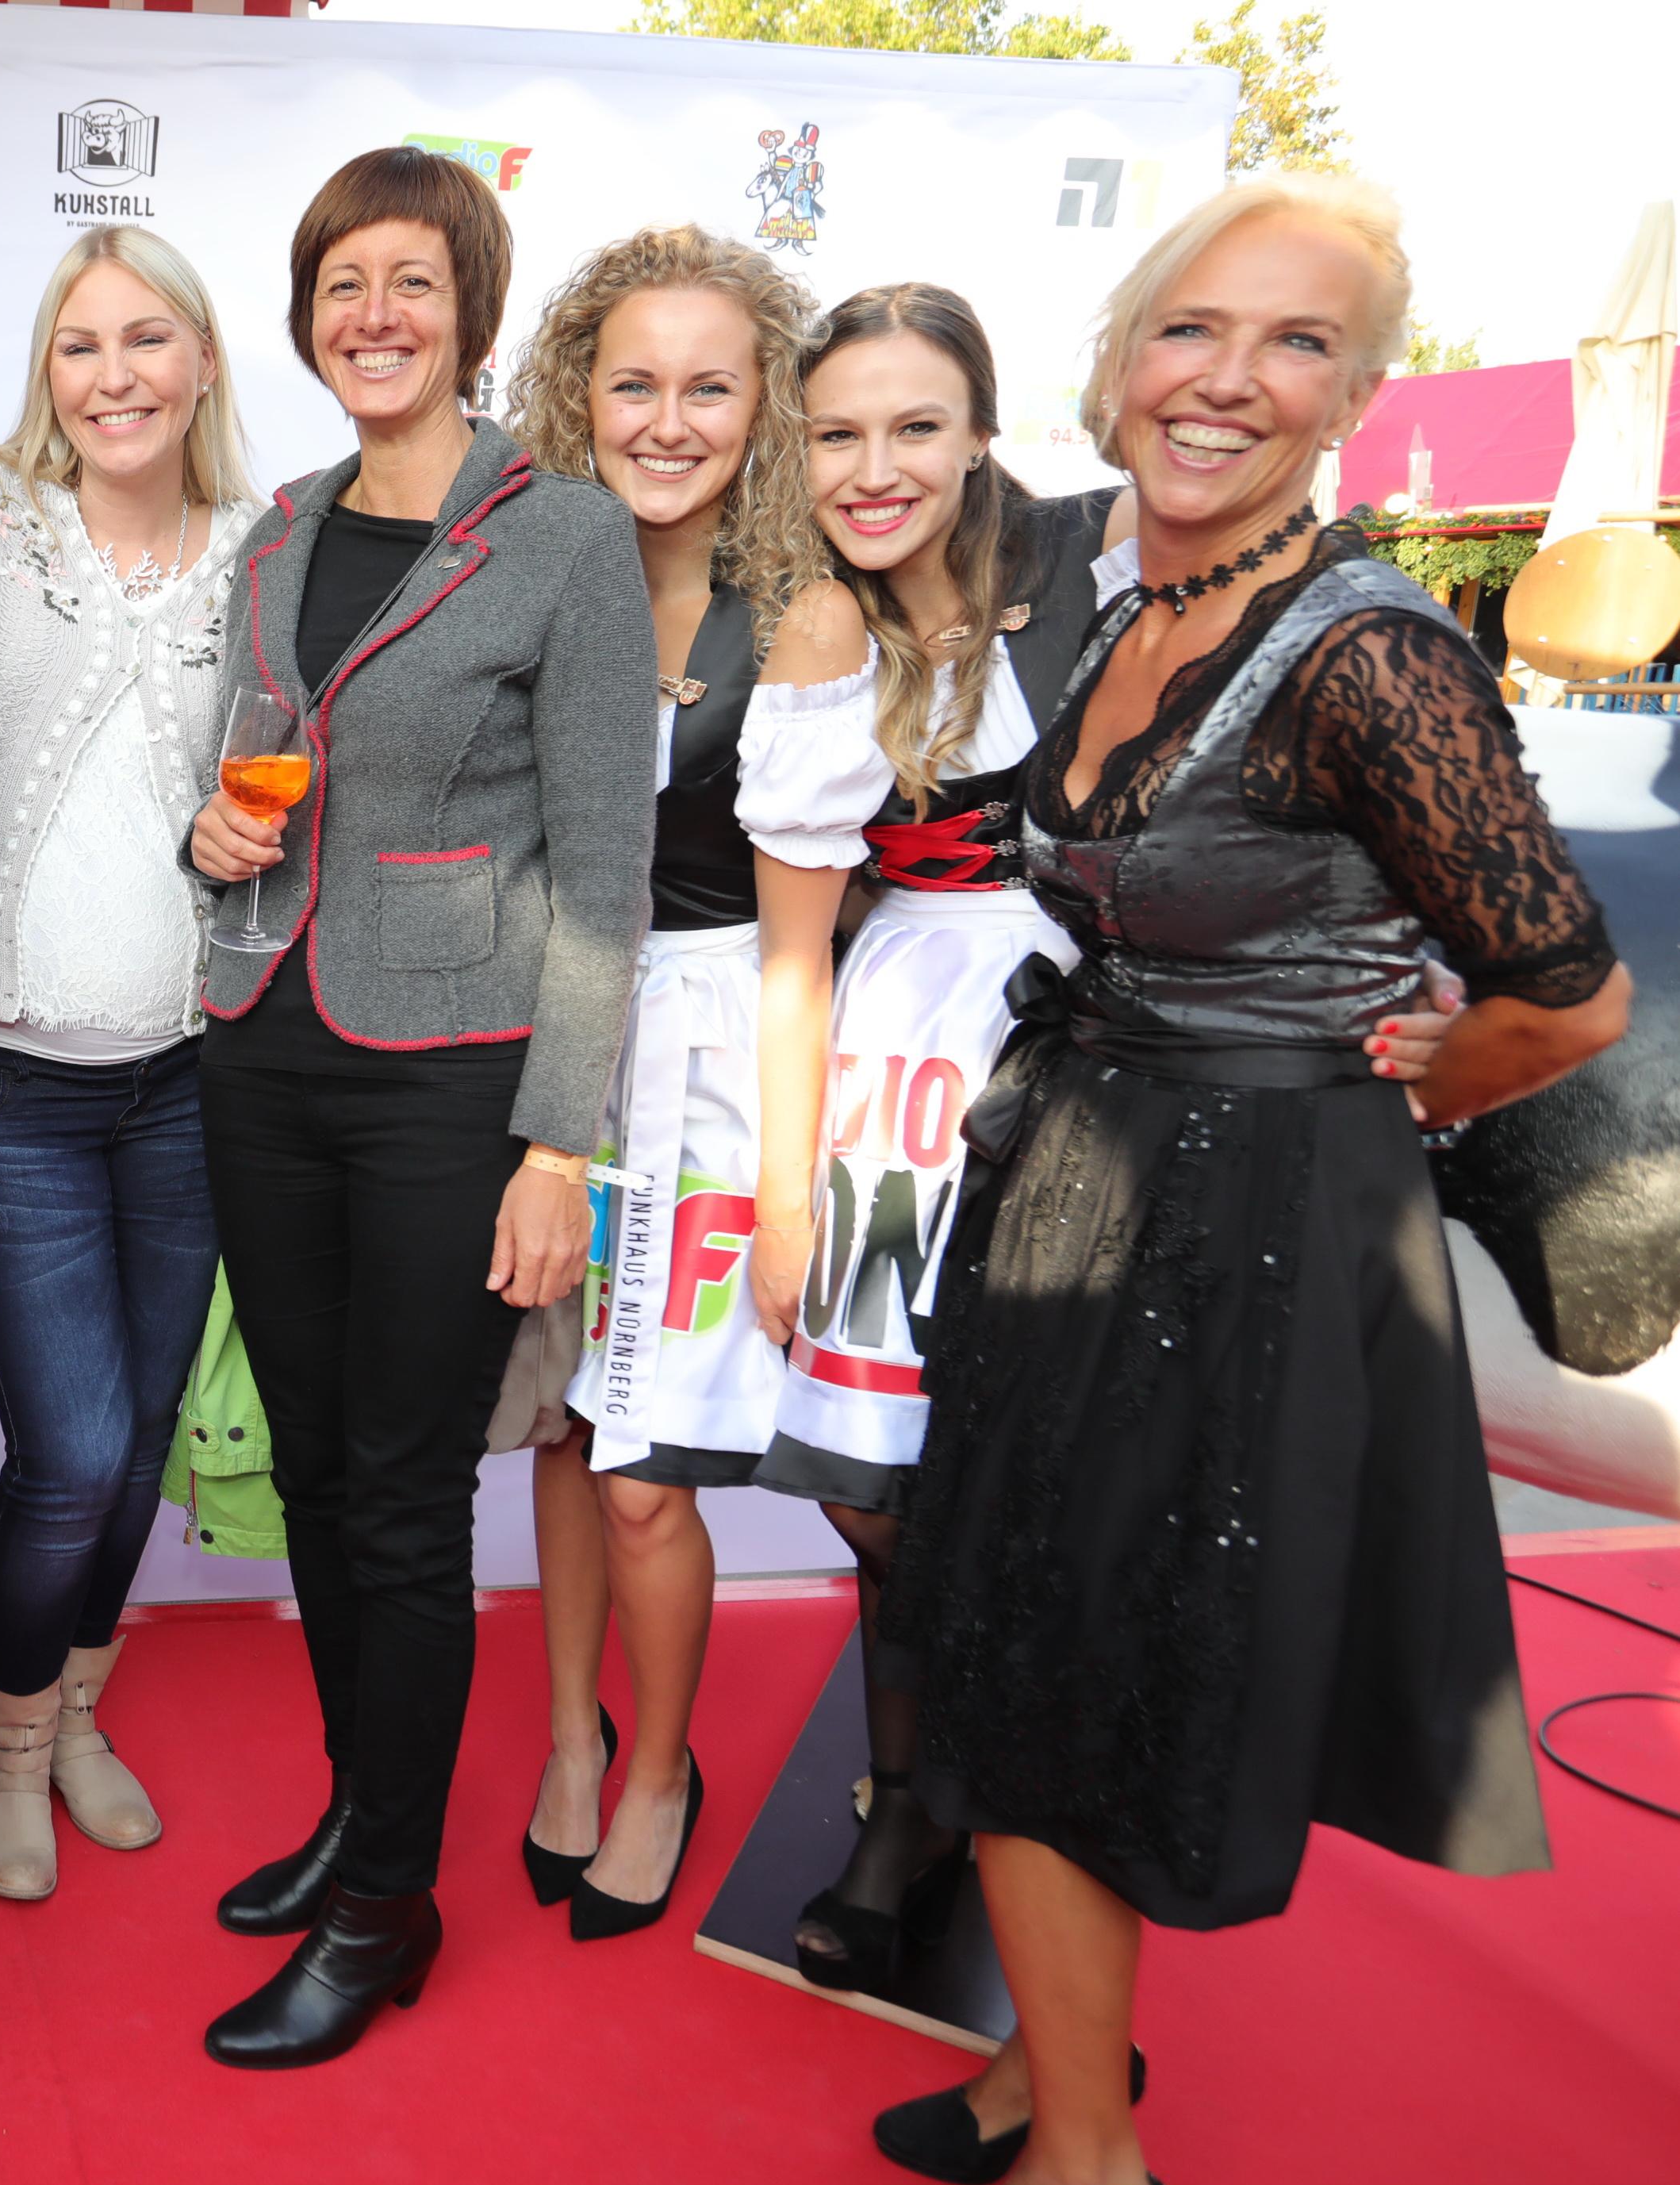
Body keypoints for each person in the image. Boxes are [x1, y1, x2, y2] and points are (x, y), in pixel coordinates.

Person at [871, 176, 1626, 2185]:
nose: (1225, 378)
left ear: (1355, 397)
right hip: (1093, 1181)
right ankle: (1050, 2063)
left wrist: (1399, 1081)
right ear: (1120, 357)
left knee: (1059, 1675)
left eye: (1297, 342)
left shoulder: (1368, 658)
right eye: (1190, 327)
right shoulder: (1138, 597)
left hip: (1238, 1234)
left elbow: (1569, 995)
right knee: (1022, 1638)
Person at [184, 147, 656, 2067]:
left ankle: (386, 1905)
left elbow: (605, 872)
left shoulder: (565, 537)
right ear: (307, 316)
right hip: (262, 1043)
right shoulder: (279, 531)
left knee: (397, 1496)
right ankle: (359, 1815)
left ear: (470, 312)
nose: (373, 315)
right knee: (313, 1473)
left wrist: (557, 1145)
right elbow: (240, 773)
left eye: (411, 282)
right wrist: (207, 836)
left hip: (452, 1082)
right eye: (342, 284)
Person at [742, 282, 1144, 1993]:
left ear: (982, 428)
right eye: (837, 433)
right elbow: (791, 949)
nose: (875, 466)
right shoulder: (819, 628)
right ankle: (912, 1798)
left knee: (1045, 1464)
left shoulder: (1103, 560)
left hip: (1093, 1055)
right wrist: (782, 1201)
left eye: (916, 425)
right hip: (897, 1060)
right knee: (879, 1485)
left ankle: (1017, 1801)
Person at [0, 225, 263, 1902]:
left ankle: (74, 1712)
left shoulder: (260, 548)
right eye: (79, 344)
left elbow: (268, 775)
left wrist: (230, 832)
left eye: (145, 339)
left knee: (140, 1442)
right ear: (45, 370)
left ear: (202, 361)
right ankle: (10, 1741)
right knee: (76, 1449)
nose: (113, 376)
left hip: (184, 1078)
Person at [489, 225, 845, 1941]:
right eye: (633, 382)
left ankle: (657, 1769)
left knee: (646, 1468)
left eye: (711, 386)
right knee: (565, 1426)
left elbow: (799, 951)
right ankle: (573, 1737)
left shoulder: (806, 611)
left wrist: (784, 1190)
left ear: (766, 404)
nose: (668, 420)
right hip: (549, 1047)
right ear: (578, 394)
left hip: (710, 1062)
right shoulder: (535, 574)